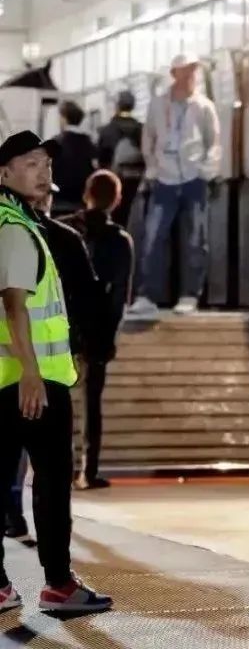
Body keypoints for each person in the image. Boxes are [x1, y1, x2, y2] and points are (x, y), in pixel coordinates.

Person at [0, 130, 111, 612]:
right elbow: (15, 305)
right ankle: (59, 585)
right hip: (33, 383)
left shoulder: (19, 223)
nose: (43, 170)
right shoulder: (15, 228)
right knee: (50, 483)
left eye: (45, 163)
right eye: (29, 163)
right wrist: (29, 372)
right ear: (3, 174)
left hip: (13, 379)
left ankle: (3, 586)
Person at [5, 179, 98, 539]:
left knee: (17, 464)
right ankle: (57, 578)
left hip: (28, 370)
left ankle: (14, 517)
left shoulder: (36, 234)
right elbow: (83, 300)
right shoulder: (44, 235)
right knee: (51, 471)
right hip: (41, 371)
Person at [127, 52, 220, 318]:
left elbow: (213, 141)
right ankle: (146, 295)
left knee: (195, 238)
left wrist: (205, 171)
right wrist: (154, 169)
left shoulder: (204, 106)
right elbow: (150, 138)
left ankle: (190, 295)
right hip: (164, 179)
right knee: (154, 237)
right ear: (174, 73)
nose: (191, 74)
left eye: (193, 69)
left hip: (193, 180)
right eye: (186, 70)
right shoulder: (158, 104)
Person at [59, 170, 134, 490]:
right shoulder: (120, 241)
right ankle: (87, 472)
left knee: (58, 402)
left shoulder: (62, 229)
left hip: (61, 326)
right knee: (92, 403)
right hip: (97, 327)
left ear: (85, 193)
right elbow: (120, 296)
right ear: (117, 200)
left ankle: (57, 469)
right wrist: (109, 336)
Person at [95, 90, 145, 228]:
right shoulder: (141, 129)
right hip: (137, 183)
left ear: (117, 105)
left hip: (113, 181)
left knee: (113, 219)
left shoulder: (107, 130)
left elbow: (100, 160)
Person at [48, 101, 96, 216]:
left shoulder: (56, 142)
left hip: (58, 203)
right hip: (82, 203)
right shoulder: (89, 143)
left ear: (64, 118)